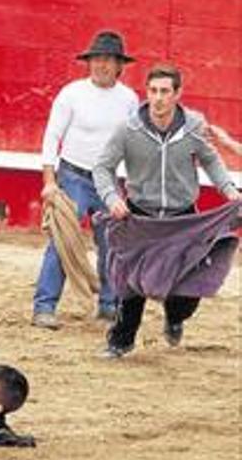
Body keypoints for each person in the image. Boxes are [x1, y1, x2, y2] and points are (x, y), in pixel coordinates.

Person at [93, 64, 241, 358]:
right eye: (152, 91)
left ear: (177, 94)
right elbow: (102, 167)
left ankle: (175, 317)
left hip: (182, 219)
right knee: (130, 285)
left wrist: (229, 190)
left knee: (186, 287)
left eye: (164, 91)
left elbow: (210, 161)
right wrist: (111, 198)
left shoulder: (193, 127)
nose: (158, 98)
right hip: (140, 217)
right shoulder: (129, 128)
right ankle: (120, 342)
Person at [31, 31, 138, 330]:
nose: (102, 65)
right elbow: (53, 136)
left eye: (109, 60)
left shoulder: (129, 99)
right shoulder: (72, 93)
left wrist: (132, 185)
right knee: (62, 241)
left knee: (112, 245)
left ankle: (108, 306)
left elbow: (133, 144)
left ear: (120, 66)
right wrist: (49, 181)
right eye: (97, 59)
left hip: (109, 181)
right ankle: (44, 306)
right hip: (73, 175)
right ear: (89, 63)